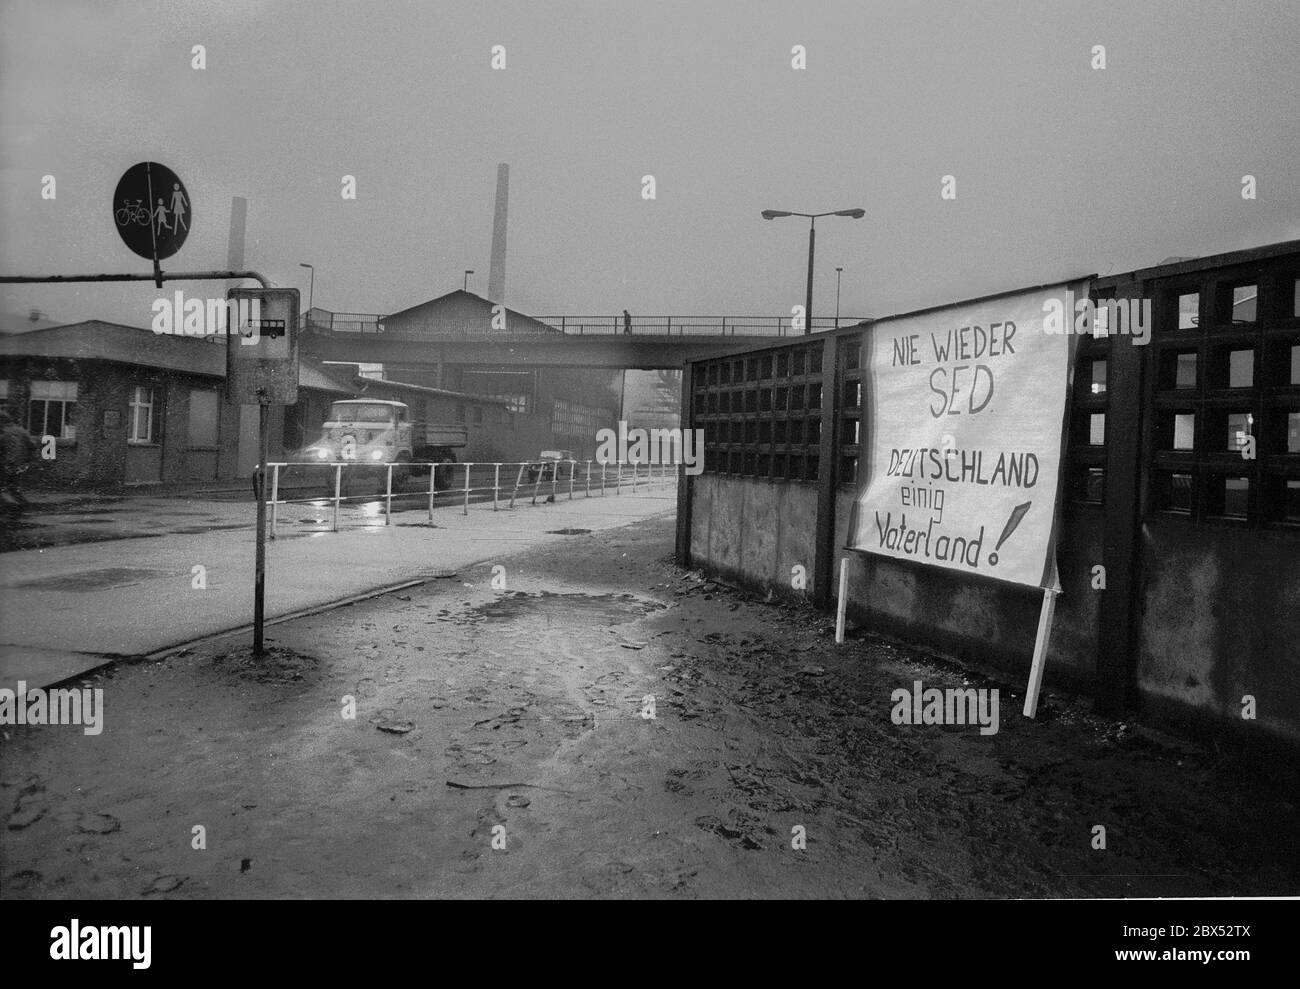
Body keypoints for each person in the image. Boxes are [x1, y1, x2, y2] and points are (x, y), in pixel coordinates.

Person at [0, 406, 37, 515]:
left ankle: (13, 509)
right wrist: (27, 460)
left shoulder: (3, 434)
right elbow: (33, 446)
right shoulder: (22, 431)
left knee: (7, 488)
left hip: (6, 464)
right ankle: (22, 507)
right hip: (19, 465)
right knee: (14, 488)